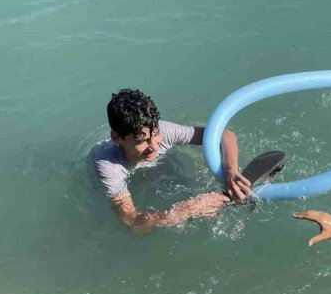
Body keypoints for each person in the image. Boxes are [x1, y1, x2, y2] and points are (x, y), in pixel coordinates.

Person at [92, 89, 253, 232]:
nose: (154, 146)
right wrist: (186, 210)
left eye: (155, 134)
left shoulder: (164, 131)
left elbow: (225, 136)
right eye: (141, 141)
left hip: (165, 166)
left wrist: (230, 169)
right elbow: (133, 223)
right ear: (116, 137)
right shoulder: (108, 166)